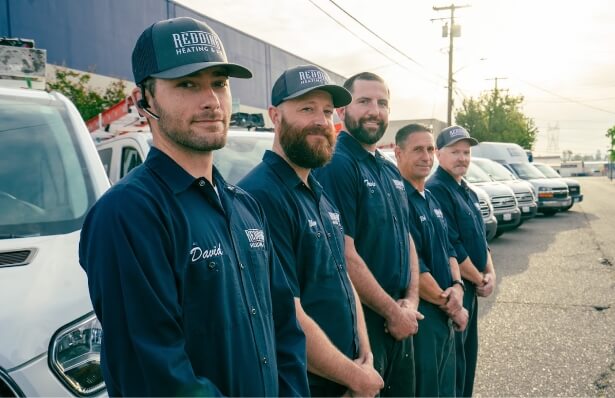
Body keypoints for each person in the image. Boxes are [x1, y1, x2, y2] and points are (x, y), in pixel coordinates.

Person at [79, 17, 309, 397]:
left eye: (219, 83)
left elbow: (284, 329)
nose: (211, 100)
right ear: (144, 101)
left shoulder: (244, 206)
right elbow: (156, 374)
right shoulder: (128, 214)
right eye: (187, 84)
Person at [239, 65, 384, 397]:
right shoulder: (260, 197)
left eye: (327, 111)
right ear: (275, 116)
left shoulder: (318, 191)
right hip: (308, 385)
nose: (321, 120)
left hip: (348, 377)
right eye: (307, 109)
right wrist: (355, 376)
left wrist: (365, 354)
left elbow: (344, 276)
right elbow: (285, 313)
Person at [313, 72, 423, 397]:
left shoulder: (389, 169)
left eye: (382, 103)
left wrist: (411, 301)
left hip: (402, 319)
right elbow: (342, 254)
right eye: (364, 101)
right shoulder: (337, 164)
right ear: (343, 111)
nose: (375, 110)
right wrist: (392, 311)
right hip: (364, 327)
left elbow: (407, 236)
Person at [394, 123, 469, 396]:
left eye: (429, 149)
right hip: (424, 321)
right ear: (398, 153)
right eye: (417, 150)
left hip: (445, 313)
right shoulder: (399, 202)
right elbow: (416, 267)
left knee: (447, 389)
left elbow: (450, 249)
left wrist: (458, 287)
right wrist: (451, 305)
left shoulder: (430, 198)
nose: (426, 157)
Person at [426, 125, 497, 397]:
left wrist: (491, 273)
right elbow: (452, 245)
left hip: (475, 286)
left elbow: (480, 238)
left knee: (468, 358)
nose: (462, 158)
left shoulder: (467, 190)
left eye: (466, 152)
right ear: (439, 154)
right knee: (453, 365)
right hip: (458, 289)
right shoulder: (437, 190)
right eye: (455, 152)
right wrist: (479, 279)